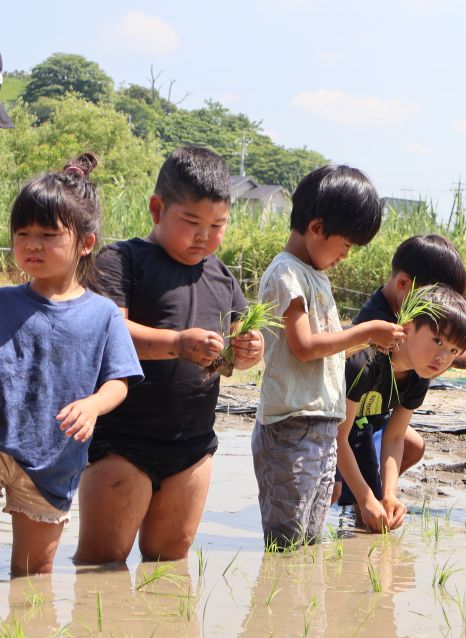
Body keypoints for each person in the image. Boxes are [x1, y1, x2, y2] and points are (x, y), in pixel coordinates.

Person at [75, 146, 265, 564]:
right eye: (192, 222)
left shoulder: (222, 275)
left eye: (218, 225)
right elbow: (109, 332)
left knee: (170, 563)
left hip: (193, 447)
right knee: (101, 563)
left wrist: (248, 350)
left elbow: (229, 358)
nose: (205, 236)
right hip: (123, 441)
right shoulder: (122, 260)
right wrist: (178, 344)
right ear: (157, 208)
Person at [0, 154, 142, 575]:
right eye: (22, 233)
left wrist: (93, 406)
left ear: (85, 243)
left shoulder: (101, 314)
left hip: (52, 455)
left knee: (33, 573)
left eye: (47, 234)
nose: (31, 244)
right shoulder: (3, 301)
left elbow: (120, 379)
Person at [252, 165, 404, 549]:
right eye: (347, 245)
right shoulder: (287, 273)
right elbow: (304, 346)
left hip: (319, 426)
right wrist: (367, 332)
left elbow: (326, 349)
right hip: (291, 426)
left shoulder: (313, 274)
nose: (345, 256)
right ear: (317, 227)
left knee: (309, 540)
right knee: (287, 545)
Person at [348, 234, 466, 486]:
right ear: (405, 284)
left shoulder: (405, 323)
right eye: (435, 295)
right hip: (349, 418)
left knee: (412, 446)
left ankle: (375, 490)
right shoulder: (378, 325)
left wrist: (460, 356)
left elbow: (419, 355)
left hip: (375, 413)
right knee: (364, 483)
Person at [337, 285, 466, 532]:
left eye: (453, 351)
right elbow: (337, 437)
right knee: (338, 496)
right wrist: (366, 498)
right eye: (437, 341)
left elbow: (396, 435)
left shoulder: (419, 376)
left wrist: (390, 494)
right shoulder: (365, 362)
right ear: (408, 328)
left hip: (360, 423)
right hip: (316, 423)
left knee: (377, 505)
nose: (443, 357)